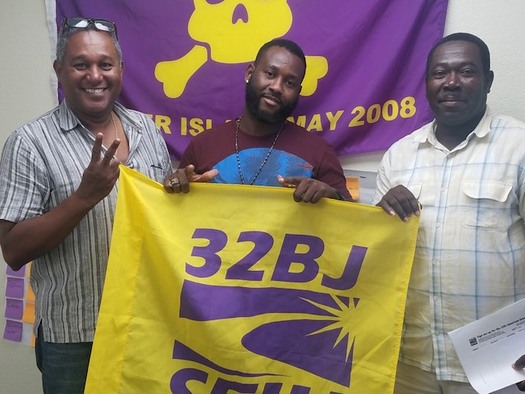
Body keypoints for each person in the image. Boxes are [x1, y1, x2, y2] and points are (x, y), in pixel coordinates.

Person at [0, 17, 171, 394]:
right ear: (60, 70)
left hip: (147, 324)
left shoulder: (147, 129)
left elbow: (162, 218)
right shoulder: (29, 143)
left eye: (105, 64)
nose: (95, 75)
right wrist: (84, 198)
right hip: (75, 337)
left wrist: (180, 190)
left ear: (121, 70)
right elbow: (13, 249)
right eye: (81, 64)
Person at [374, 32, 525, 393]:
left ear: (487, 81)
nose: (452, 83)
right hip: (409, 362)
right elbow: (380, 258)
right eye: (440, 73)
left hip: (499, 366)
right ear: (427, 84)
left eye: (466, 71)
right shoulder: (398, 156)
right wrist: (379, 216)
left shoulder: (518, 148)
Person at [164, 38, 351, 203]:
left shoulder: (319, 151)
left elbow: (354, 225)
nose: (277, 87)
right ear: (249, 73)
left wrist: (332, 196)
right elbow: (175, 219)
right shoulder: (202, 145)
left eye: (290, 83)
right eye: (270, 74)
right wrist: (176, 189)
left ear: (297, 93)